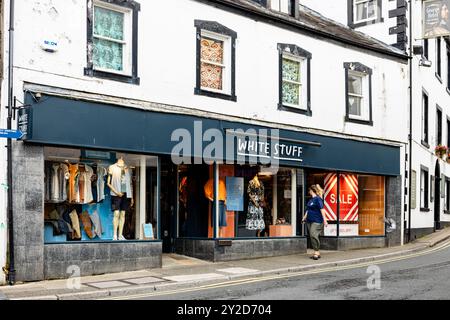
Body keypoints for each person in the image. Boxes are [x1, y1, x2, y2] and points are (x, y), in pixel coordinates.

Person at [302, 185, 328, 260]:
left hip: (317, 221)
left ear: (312, 190)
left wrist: (325, 220)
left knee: (313, 235)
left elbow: (322, 209)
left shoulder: (318, 199)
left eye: (309, 190)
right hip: (309, 220)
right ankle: (317, 252)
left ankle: (316, 251)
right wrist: (304, 218)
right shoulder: (310, 200)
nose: (309, 192)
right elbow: (308, 210)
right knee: (312, 236)